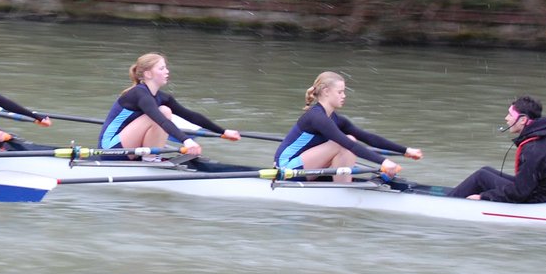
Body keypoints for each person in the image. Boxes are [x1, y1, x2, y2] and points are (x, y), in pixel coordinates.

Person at [275, 71, 422, 182]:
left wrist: (406, 151)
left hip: (306, 166)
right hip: (286, 168)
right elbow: (347, 144)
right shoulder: (316, 117)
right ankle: (343, 191)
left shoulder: (335, 119)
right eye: (340, 92)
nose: (344, 96)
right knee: (343, 142)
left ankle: (343, 187)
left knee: (350, 138)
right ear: (326, 92)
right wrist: (384, 162)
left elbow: (368, 137)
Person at [99, 53, 240, 158]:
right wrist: (187, 140)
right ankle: (151, 160)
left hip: (128, 144)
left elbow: (190, 116)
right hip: (110, 148)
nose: (167, 72)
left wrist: (223, 131)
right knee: (164, 112)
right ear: (148, 74)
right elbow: (161, 120)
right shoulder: (139, 94)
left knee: (165, 110)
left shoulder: (161, 97)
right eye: (161, 68)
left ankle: (151, 158)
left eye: (166, 68)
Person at [447, 95, 546, 202]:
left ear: (523, 120)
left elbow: (520, 193)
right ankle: (454, 198)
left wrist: (484, 197)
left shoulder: (533, 149)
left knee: (481, 176)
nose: (506, 118)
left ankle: (447, 203)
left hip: (541, 199)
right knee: (486, 170)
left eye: (510, 114)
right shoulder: (542, 139)